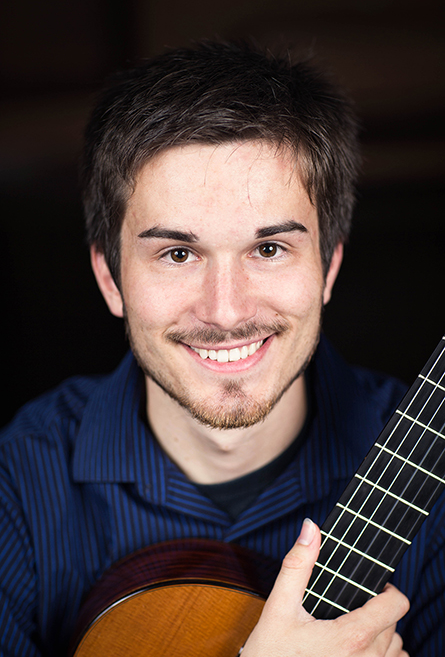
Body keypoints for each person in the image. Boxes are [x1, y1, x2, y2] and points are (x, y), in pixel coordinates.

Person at [0, 40, 443, 657]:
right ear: (110, 279)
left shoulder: (437, 479)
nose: (226, 311)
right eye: (178, 253)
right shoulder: (19, 481)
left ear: (329, 267)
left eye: (269, 249)